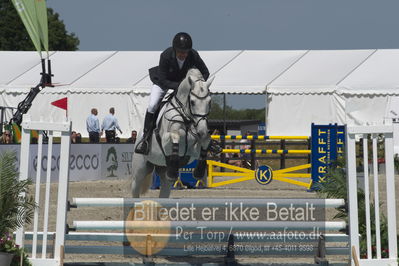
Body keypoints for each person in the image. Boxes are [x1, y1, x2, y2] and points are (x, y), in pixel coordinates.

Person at [135, 32, 210, 155]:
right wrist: (181, 87)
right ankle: (145, 139)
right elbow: (164, 80)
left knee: (198, 104)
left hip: (184, 86)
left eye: (185, 52)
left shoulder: (193, 55)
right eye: (180, 52)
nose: (183, 55)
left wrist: (197, 85)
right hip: (163, 83)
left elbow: (205, 72)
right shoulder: (165, 55)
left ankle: (204, 137)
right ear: (175, 49)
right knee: (153, 105)